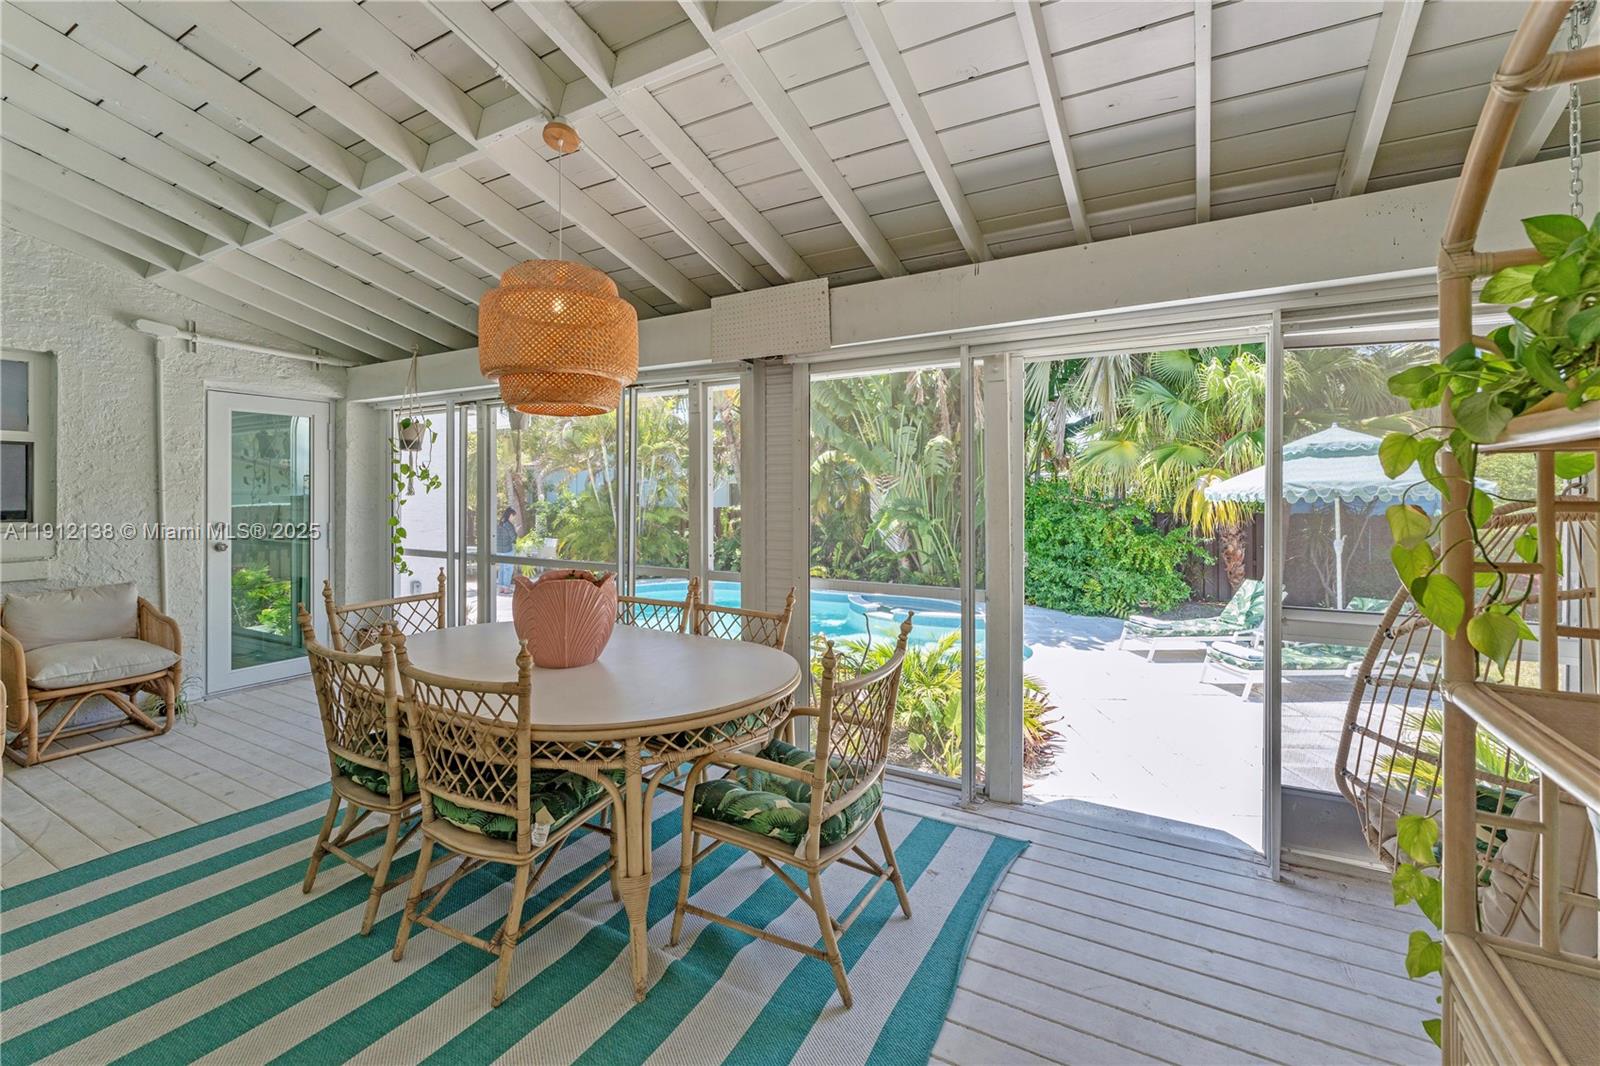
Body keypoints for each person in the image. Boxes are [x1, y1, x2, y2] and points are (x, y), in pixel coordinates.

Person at [496, 507, 516, 592]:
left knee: (502, 569)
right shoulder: (508, 524)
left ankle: (501, 587)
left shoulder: (500, 523)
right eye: (514, 516)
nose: (514, 518)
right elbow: (513, 537)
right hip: (507, 549)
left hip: (499, 550)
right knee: (508, 569)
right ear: (510, 515)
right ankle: (506, 588)